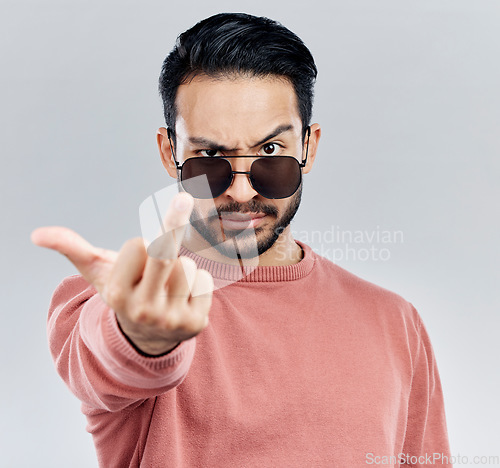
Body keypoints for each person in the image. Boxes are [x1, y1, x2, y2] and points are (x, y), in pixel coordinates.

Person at [32, 13, 452, 468]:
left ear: (308, 147)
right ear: (168, 151)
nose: (241, 190)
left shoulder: (395, 322)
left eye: (270, 152)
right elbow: (109, 355)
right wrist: (142, 337)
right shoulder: (130, 299)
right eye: (210, 156)